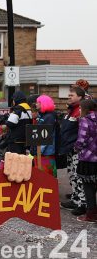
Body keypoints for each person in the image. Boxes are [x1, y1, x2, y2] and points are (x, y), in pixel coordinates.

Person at [60, 86, 87, 216]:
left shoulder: (81, 111)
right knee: (72, 176)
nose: (69, 96)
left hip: (77, 150)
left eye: (72, 95)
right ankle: (75, 199)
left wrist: (77, 146)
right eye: (69, 95)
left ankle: (83, 203)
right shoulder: (71, 110)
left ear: (80, 97)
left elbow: (83, 131)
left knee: (78, 176)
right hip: (69, 148)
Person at [74, 99, 97, 222]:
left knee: (88, 187)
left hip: (88, 158)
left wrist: (76, 148)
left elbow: (81, 139)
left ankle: (91, 214)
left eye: (80, 108)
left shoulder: (85, 120)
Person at [31, 95, 57, 177]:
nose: (36, 104)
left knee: (45, 176)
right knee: (40, 176)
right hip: (41, 152)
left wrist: (38, 151)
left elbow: (45, 136)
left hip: (45, 153)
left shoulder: (48, 117)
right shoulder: (43, 116)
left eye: (38, 102)